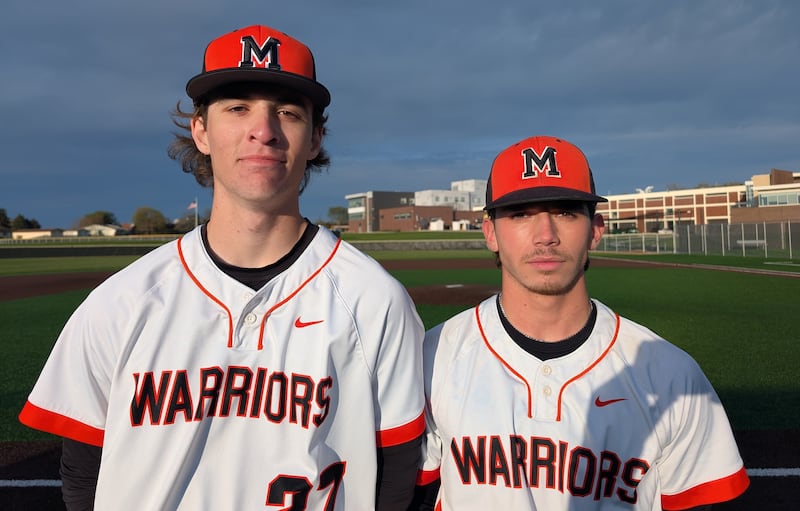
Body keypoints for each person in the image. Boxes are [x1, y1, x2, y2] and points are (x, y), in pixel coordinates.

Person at [19, 25, 425, 510]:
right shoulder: (121, 301)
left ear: (315, 138)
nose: (264, 129)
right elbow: (83, 473)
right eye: (237, 108)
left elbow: (400, 476)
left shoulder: (374, 300)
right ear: (201, 131)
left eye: (288, 113)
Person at [410, 136, 750, 510]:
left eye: (566, 212)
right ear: (490, 232)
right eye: (521, 214)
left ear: (596, 229)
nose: (546, 236)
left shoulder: (671, 376)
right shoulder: (434, 357)